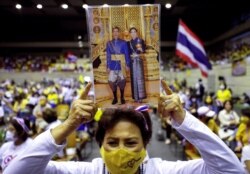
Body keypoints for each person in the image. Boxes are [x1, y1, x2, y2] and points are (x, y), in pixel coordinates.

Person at [4, 81, 244, 174]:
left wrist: (183, 119)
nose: (121, 150)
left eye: (131, 142)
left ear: (145, 143)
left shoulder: (165, 171)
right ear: (101, 144)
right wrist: (68, 125)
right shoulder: (82, 172)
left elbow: (233, 171)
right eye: (112, 142)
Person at [106, 26, 130, 105]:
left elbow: (127, 54)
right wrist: (108, 66)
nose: (115, 33)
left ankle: (122, 97)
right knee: (111, 81)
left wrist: (127, 64)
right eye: (114, 31)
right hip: (113, 64)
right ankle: (115, 98)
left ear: (119, 33)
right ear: (112, 33)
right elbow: (108, 55)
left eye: (117, 31)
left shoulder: (124, 42)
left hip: (122, 64)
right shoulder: (109, 43)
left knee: (122, 81)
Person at [128, 27, 147, 103]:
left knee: (140, 78)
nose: (133, 33)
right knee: (133, 78)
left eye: (134, 32)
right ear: (130, 33)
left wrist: (141, 50)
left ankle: (141, 97)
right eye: (131, 32)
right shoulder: (129, 42)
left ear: (136, 32)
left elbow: (143, 50)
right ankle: (135, 97)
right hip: (132, 61)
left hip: (139, 60)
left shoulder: (140, 40)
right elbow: (129, 52)